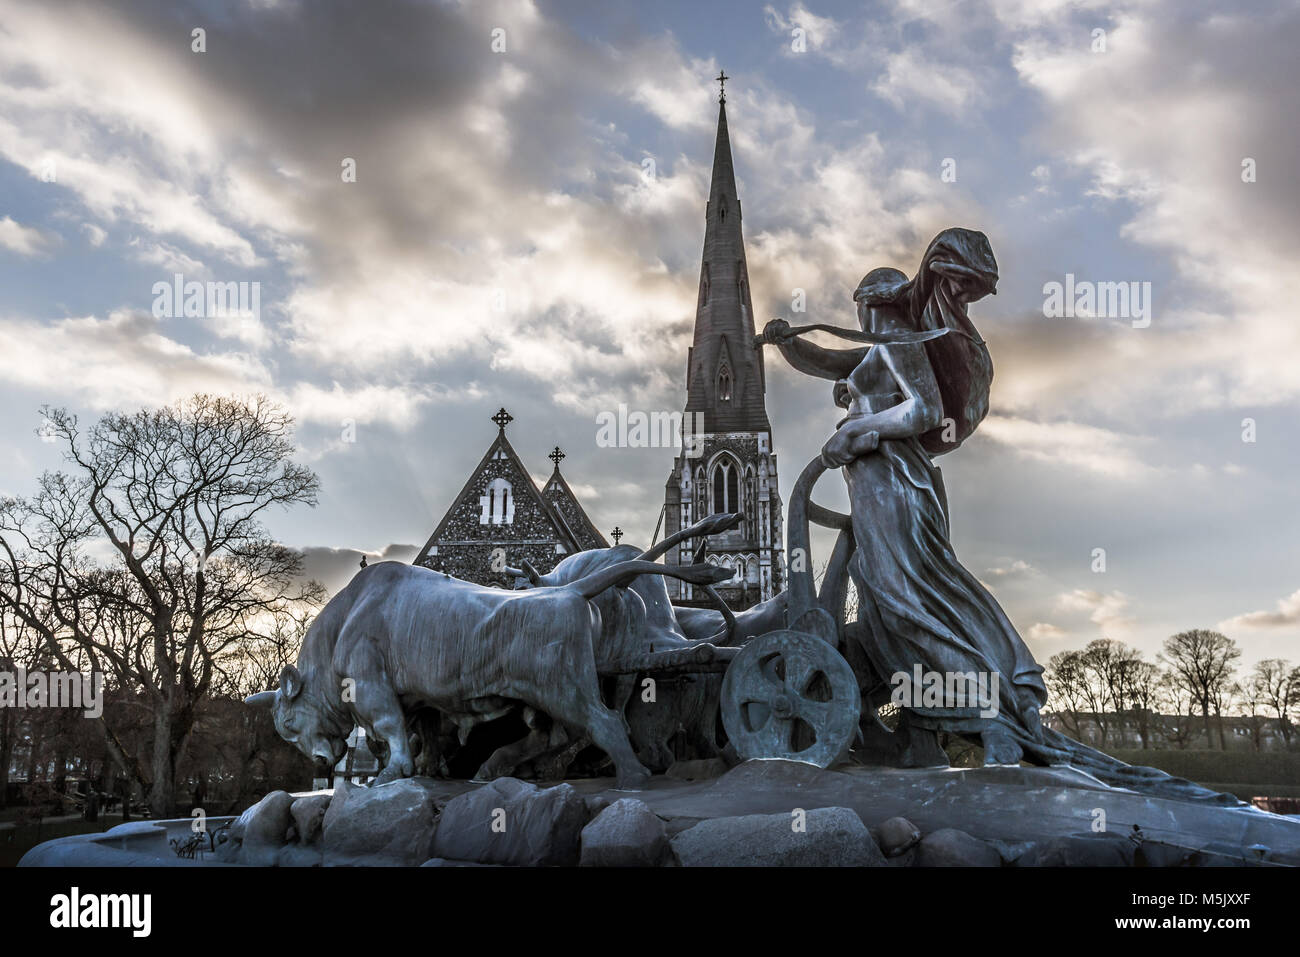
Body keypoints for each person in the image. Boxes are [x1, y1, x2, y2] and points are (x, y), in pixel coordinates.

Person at [762, 227, 1043, 764]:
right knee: (890, 596)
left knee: (906, 597)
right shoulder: (884, 348)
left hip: (891, 479)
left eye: (864, 310)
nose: (863, 322)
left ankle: (995, 714)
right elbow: (832, 364)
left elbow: (923, 411)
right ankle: (922, 726)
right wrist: (789, 344)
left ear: (875, 304)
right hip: (879, 481)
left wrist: (854, 431)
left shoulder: (896, 339)